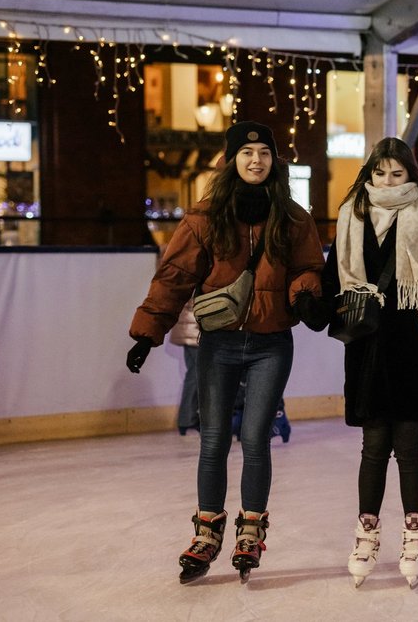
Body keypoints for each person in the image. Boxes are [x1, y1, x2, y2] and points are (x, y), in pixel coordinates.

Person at [125, 121, 327, 583]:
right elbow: (174, 275)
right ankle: (207, 532)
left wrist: (307, 294)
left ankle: (251, 531)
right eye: (246, 152)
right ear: (231, 160)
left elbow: (309, 267)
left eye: (263, 152)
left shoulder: (294, 217)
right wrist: (146, 332)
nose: (256, 160)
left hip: (271, 343)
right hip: (218, 343)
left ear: (274, 161)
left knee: (256, 437)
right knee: (213, 439)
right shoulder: (206, 216)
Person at [320, 136, 418, 589]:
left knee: (408, 446)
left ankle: (414, 535)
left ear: (411, 175)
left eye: (397, 173)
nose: (388, 180)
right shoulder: (351, 217)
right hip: (367, 350)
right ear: (369, 174)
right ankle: (366, 534)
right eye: (380, 172)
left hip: (413, 350)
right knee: (371, 447)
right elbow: (333, 282)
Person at [168, 299, 200, 435]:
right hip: (195, 328)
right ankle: (189, 419)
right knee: (199, 375)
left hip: (190, 328)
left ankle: (187, 420)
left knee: (194, 375)